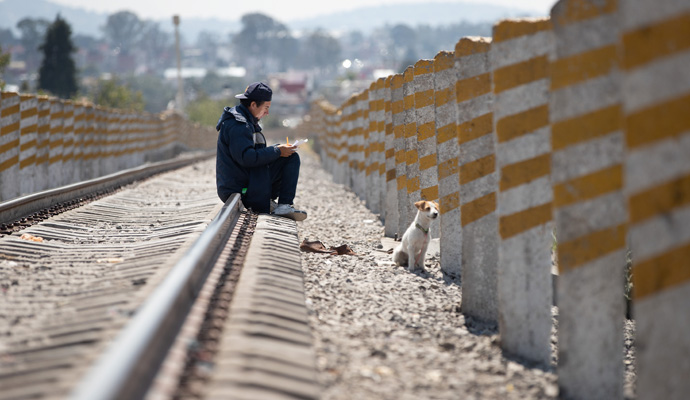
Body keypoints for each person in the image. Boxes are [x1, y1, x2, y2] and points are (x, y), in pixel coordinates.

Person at [215, 82, 307, 221]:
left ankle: (275, 203)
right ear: (253, 105)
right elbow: (247, 158)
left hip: (245, 182)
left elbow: (254, 155)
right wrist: (277, 151)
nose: (267, 112)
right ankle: (283, 205)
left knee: (286, 155)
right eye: (266, 107)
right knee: (290, 159)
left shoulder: (245, 121)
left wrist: (278, 150)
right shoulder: (239, 125)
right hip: (240, 188)